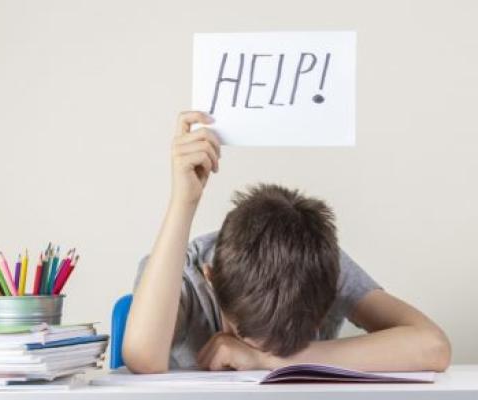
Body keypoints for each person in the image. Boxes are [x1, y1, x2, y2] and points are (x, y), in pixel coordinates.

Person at [122, 111, 451, 373]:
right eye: (248, 339)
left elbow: (432, 346)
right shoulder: (181, 273)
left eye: (288, 344)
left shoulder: (318, 264)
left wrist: (267, 362)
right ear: (212, 279)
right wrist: (184, 200)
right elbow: (142, 357)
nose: (260, 352)